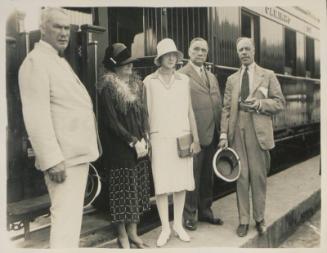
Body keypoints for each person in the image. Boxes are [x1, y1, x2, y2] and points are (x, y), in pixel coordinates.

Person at [18, 8, 100, 248]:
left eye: (67, 28)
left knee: (71, 222)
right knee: (65, 223)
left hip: (74, 156)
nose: (65, 33)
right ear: (43, 29)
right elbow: (36, 116)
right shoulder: (36, 62)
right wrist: (52, 160)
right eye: (58, 27)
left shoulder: (55, 59)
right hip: (63, 160)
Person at [218, 37, 285, 237]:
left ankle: (259, 218)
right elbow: (227, 109)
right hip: (237, 132)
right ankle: (243, 221)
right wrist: (223, 134)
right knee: (241, 177)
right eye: (241, 50)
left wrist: (260, 104)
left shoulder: (268, 75)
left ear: (254, 51)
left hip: (259, 133)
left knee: (258, 177)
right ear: (237, 53)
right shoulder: (232, 80)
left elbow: (280, 103)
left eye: (247, 49)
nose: (244, 53)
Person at [144, 38, 201, 247]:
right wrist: (148, 139)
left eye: (174, 55)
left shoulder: (184, 80)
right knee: (161, 185)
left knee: (180, 184)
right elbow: (146, 113)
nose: (171, 58)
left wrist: (195, 138)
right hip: (159, 139)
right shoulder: (149, 82)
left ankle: (177, 225)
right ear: (160, 59)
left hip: (181, 138)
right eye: (167, 55)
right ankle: (165, 228)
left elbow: (189, 111)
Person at [97, 43, 151, 249]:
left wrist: (144, 135)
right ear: (114, 68)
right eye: (125, 65)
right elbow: (111, 122)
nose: (129, 68)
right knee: (122, 193)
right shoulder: (107, 88)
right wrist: (132, 140)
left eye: (130, 65)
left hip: (138, 145)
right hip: (120, 148)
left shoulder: (136, 86)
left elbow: (143, 114)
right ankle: (122, 236)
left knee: (136, 190)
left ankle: (133, 233)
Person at [179, 37, 223, 231]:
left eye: (204, 50)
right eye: (196, 49)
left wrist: (221, 132)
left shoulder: (211, 76)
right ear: (189, 51)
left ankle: (206, 211)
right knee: (192, 176)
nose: (200, 53)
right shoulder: (181, 75)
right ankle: (189, 215)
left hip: (212, 134)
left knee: (207, 176)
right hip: (195, 136)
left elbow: (218, 104)